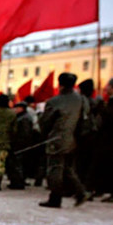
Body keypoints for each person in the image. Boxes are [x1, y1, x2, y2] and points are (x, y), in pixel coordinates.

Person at [38, 72, 88, 208]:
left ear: (59, 84)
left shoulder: (55, 101)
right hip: (75, 139)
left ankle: (55, 197)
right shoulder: (82, 99)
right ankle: (80, 192)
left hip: (57, 139)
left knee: (55, 169)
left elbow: (45, 122)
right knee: (68, 168)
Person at [7, 102, 33, 190]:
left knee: (18, 163)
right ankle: (17, 180)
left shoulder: (24, 118)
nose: (15, 110)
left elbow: (25, 133)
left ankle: (18, 182)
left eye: (17, 108)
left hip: (20, 144)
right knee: (17, 163)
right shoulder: (23, 117)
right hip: (20, 143)